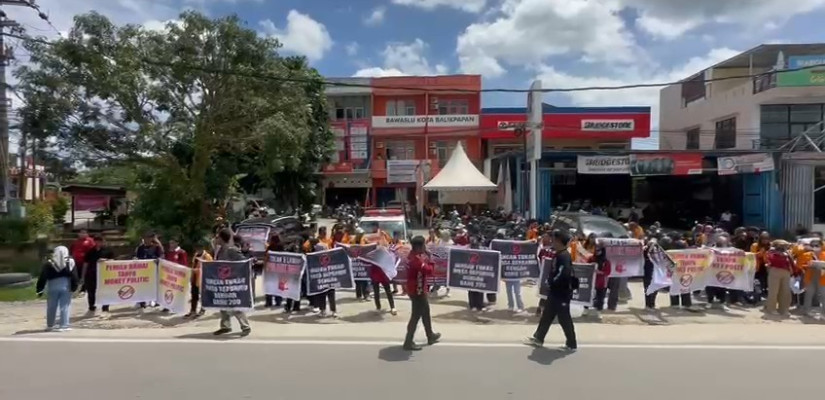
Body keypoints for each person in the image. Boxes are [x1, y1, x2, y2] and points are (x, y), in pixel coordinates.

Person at [524, 229, 578, 351]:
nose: (552, 241)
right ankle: (539, 338)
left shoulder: (564, 256)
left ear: (559, 241)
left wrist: (551, 282)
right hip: (555, 292)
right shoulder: (559, 254)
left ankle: (571, 344)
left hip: (562, 293)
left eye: (554, 239)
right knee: (547, 315)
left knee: (564, 318)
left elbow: (562, 273)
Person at [403, 235, 441, 351]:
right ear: (419, 247)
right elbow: (429, 270)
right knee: (416, 316)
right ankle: (408, 342)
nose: (425, 247)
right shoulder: (416, 260)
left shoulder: (413, 256)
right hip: (417, 291)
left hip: (417, 289)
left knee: (425, 313)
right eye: (424, 245)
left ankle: (430, 336)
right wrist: (430, 258)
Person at [213, 228, 252, 336]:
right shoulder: (220, 250)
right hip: (222, 282)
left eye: (217, 237)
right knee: (222, 304)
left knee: (234, 304)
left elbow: (243, 262)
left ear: (221, 238)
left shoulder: (231, 250)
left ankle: (245, 326)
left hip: (231, 282)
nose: (216, 239)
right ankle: (225, 326)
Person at [36, 246, 79, 331]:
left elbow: (43, 277)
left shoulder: (49, 262)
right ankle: (64, 325)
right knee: (65, 306)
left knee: (51, 306)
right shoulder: (70, 261)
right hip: (65, 285)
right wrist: (74, 287)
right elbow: (74, 276)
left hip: (52, 285)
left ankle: (50, 325)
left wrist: (39, 289)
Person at [765, 240, 796, 317]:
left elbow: (791, 262)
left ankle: (784, 309)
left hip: (786, 272)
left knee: (785, 291)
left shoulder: (787, 253)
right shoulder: (771, 252)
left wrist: (792, 270)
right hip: (775, 271)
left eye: (785, 245)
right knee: (773, 291)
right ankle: (771, 309)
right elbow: (770, 260)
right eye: (782, 245)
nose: (784, 247)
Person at [84, 235, 114, 313]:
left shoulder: (108, 251)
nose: (98, 243)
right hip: (92, 274)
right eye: (96, 241)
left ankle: (105, 307)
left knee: (105, 291)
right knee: (91, 291)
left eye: (100, 241)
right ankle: (92, 306)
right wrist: (84, 274)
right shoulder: (91, 251)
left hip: (104, 275)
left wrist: (105, 260)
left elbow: (113, 261)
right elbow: (86, 263)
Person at [135, 232, 164, 308]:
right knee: (142, 285)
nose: (146, 240)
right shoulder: (140, 248)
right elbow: (137, 256)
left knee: (154, 285)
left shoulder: (156, 247)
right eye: (144, 238)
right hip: (142, 270)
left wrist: (158, 260)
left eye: (147, 238)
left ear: (151, 239)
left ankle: (154, 300)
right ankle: (142, 301)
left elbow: (161, 256)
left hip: (153, 269)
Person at [186, 242, 212, 318]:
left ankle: (202, 309)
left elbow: (209, 268)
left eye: (199, 248)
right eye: (197, 248)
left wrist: (196, 270)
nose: (198, 249)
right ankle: (192, 310)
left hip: (202, 279)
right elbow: (193, 264)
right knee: (194, 295)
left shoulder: (207, 256)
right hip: (194, 278)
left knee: (203, 295)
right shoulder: (196, 255)